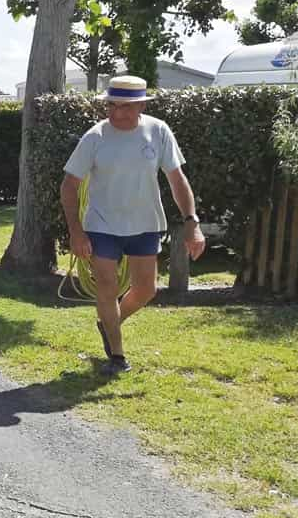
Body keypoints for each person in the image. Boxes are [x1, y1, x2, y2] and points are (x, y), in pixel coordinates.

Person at [61, 75, 206, 375]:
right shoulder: (96, 137)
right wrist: (76, 231)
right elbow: (69, 185)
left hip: (145, 223)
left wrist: (192, 222)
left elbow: (178, 181)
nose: (116, 113)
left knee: (146, 290)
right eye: (112, 106)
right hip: (102, 225)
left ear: (141, 105)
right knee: (107, 286)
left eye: (125, 107)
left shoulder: (158, 131)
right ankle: (117, 355)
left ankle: (108, 322)